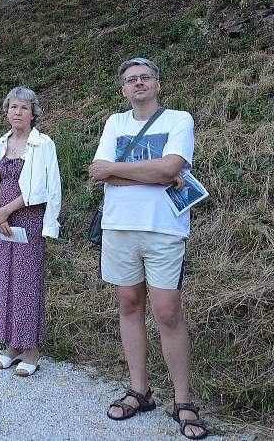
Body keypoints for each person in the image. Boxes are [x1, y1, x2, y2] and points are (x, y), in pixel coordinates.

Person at [88, 58, 206, 440]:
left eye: (145, 77)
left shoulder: (179, 119)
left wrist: (119, 172)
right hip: (119, 226)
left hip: (163, 230)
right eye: (131, 79)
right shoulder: (114, 123)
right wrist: (154, 174)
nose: (138, 83)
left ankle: (183, 400)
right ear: (123, 89)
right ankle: (139, 390)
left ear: (157, 84)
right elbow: (97, 170)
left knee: (168, 312)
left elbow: (171, 168)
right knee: (128, 304)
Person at [0, 87, 62, 377]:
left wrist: (6, 211)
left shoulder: (43, 143)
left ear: (34, 113)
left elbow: (43, 188)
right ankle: (12, 346)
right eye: (12, 107)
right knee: (4, 279)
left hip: (28, 218)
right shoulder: (2, 142)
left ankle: (32, 349)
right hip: (3, 220)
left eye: (24, 108)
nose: (17, 112)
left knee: (26, 282)